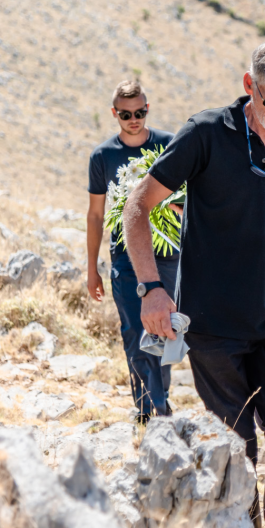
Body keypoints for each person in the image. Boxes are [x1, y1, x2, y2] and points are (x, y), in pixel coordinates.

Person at [122, 34, 265, 528]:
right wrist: (151, 288)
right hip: (212, 323)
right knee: (238, 442)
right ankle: (243, 521)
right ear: (248, 85)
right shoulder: (206, 134)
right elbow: (137, 206)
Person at [86, 79, 177, 422]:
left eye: (140, 112)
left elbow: (188, 197)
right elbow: (96, 215)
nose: (134, 119)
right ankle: (149, 411)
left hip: (168, 254)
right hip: (124, 257)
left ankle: (160, 401)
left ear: (148, 109)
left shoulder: (170, 145)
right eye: (126, 114)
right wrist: (92, 267)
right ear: (115, 114)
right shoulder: (103, 156)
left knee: (164, 329)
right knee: (135, 331)